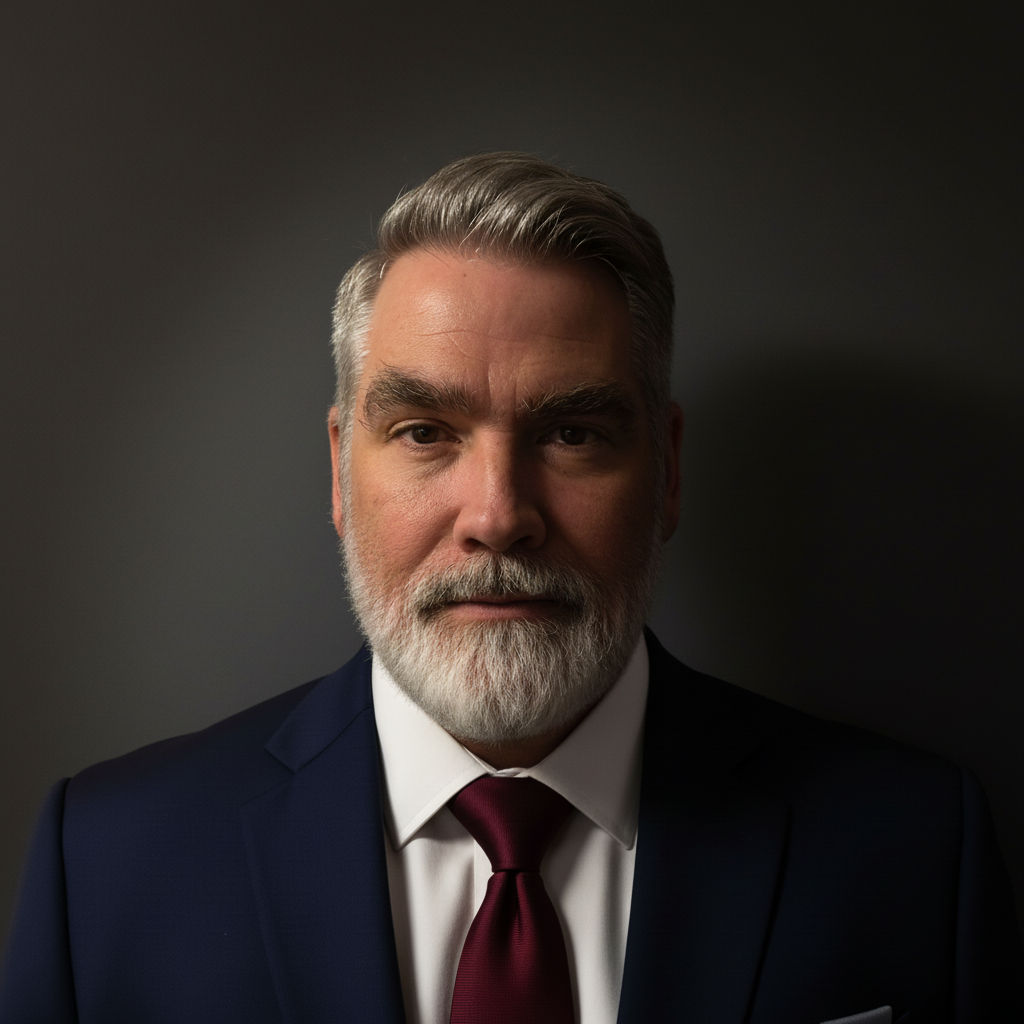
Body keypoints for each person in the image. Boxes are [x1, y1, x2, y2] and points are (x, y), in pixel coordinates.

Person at [1, 152, 1019, 1024]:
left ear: (666, 471)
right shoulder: (105, 867)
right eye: (425, 432)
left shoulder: (915, 851)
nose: (497, 512)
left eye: (572, 433)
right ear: (337, 473)